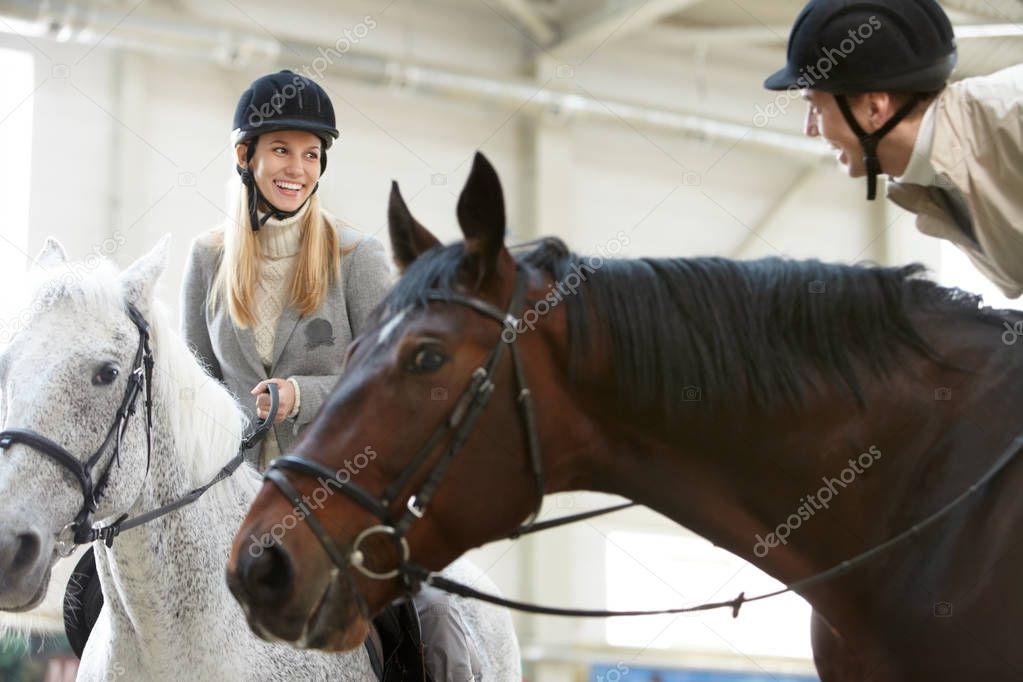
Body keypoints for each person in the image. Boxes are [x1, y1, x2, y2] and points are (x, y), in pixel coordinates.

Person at [180, 70, 481, 682]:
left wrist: (301, 395)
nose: (297, 168)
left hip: (339, 491)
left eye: (311, 154)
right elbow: (196, 386)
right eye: (281, 150)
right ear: (246, 156)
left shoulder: (357, 257)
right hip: (232, 497)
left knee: (439, 618)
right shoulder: (206, 258)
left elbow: (390, 386)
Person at [765, 0, 1023, 297]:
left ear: (875, 108)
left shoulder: (1013, 114)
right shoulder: (927, 184)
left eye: (815, 109)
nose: (809, 129)